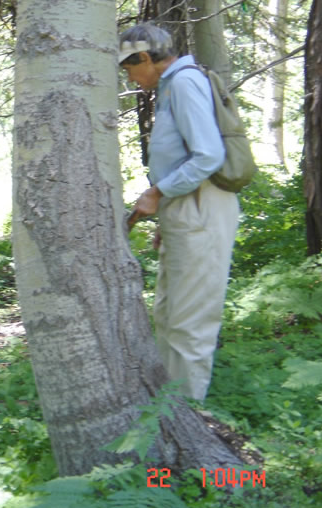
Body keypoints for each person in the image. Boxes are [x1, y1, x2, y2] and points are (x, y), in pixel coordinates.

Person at [119, 24, 239, 401]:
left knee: (189, 324)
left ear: (143, 57)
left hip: (202, 207)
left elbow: (207, 155)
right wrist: (169, 210)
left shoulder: (184, 82)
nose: (130, 77)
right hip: (187, 210)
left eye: (128, 68)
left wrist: (158, 193)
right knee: (169, 316)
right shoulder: (172, 85)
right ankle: (169, 411)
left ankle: (187, 416)